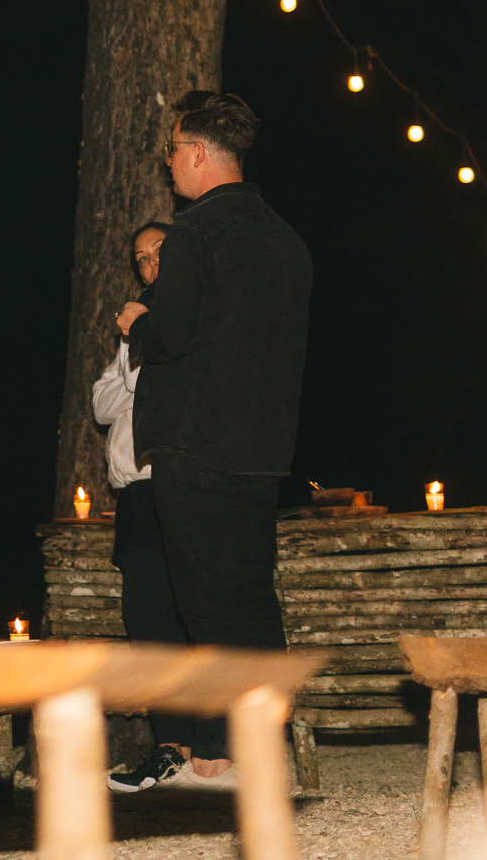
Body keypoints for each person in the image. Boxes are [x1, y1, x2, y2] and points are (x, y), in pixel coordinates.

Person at [116, 91, 311, 788]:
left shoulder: (195, 233)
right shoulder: (286, 240)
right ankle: (261, 739)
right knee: (250, 596)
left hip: (197, 443)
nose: (168, 162)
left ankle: (227, 751)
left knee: (205, 600)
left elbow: (173, 334)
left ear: (199, 153)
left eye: (173, 149)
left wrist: (138, 322)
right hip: (262, 447)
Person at [95, 220, 203, 794]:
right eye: (140, 257)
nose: (150, 263)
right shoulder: (135, 323)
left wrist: (139, 347)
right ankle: (170, 746)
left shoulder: (185, 312)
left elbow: (147, 385)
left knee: (185, 615)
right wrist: (133, 357)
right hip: (134, 493)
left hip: (175, 483)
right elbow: (101, 401)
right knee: (146, 620)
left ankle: (201, 746)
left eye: (159, 251)